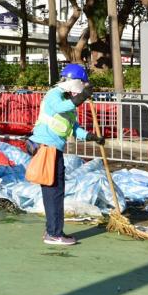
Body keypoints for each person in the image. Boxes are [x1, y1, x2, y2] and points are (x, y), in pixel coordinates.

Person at [26, 64, 103, 246]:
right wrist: (82, 97)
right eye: (82, 84)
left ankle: (53, 230)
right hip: (47, 148)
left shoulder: (68, 101)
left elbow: (73, 128)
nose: (83, 88)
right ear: (75, 82)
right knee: (54, 192)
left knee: (56, 191)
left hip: (54, 149)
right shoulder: (54, 95)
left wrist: (90, 136)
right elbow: (60, 107)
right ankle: (54, 233)